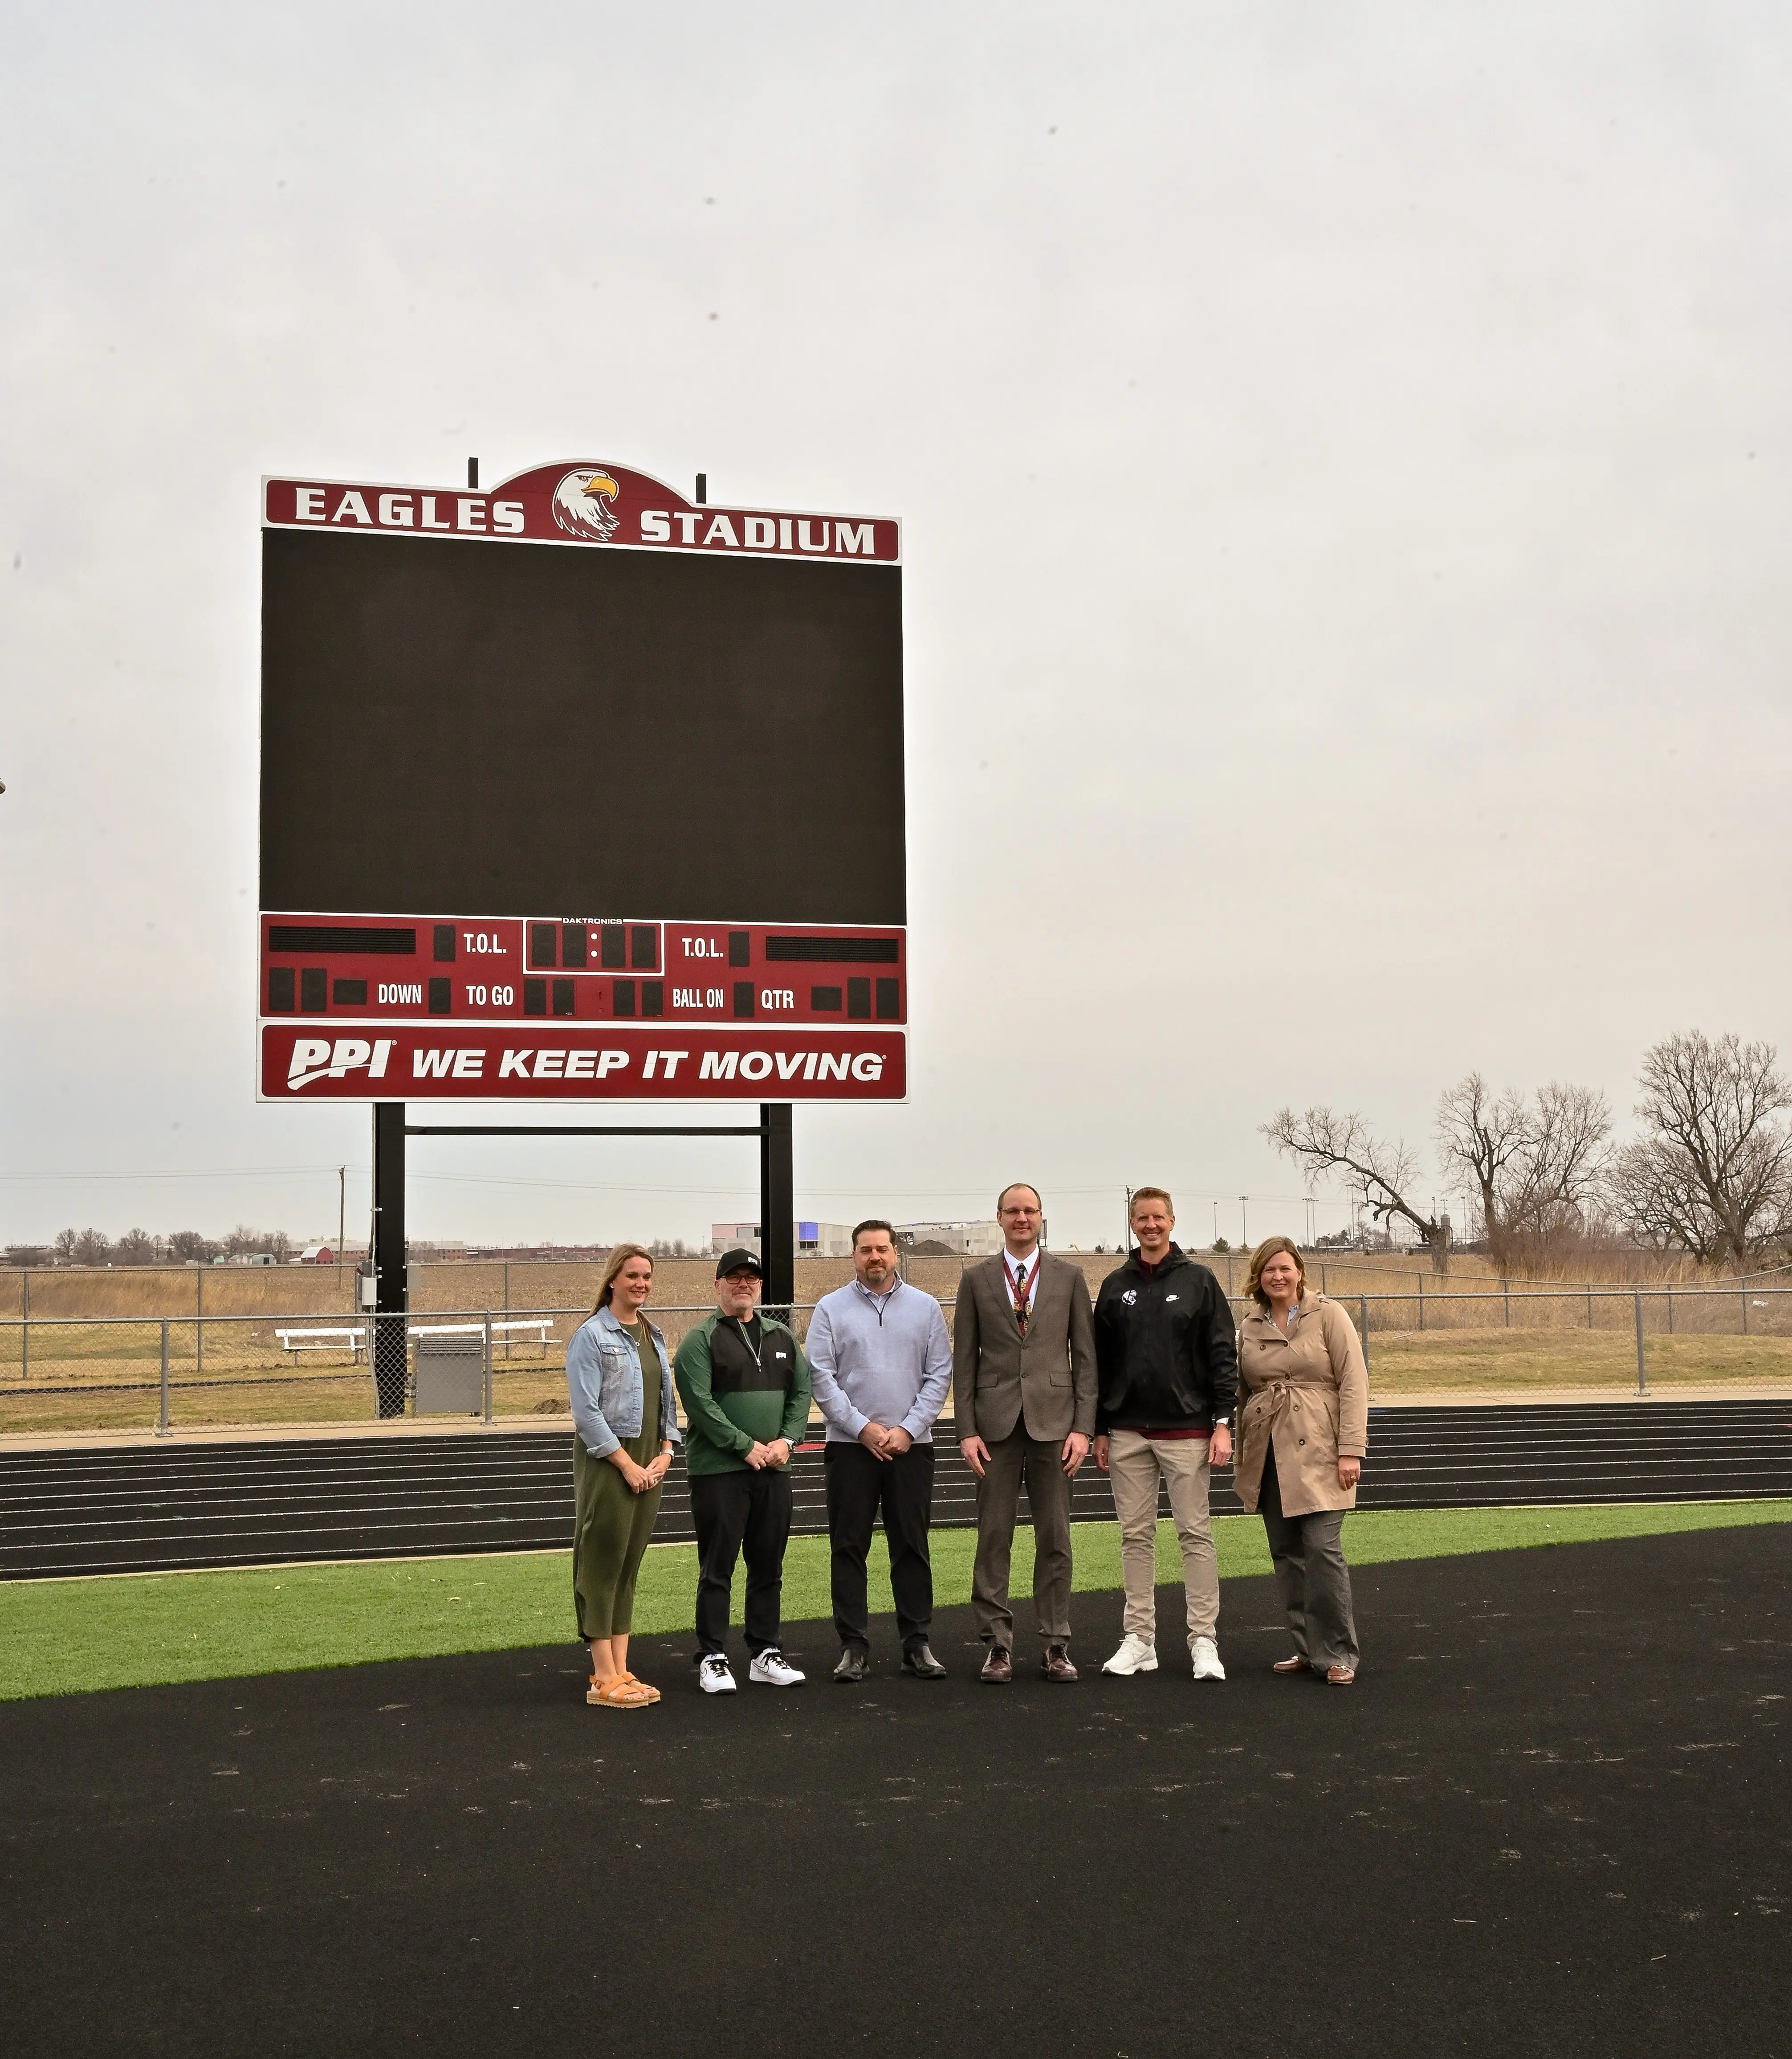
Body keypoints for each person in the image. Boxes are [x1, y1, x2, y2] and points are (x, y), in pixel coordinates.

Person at [953, 1182, 1097, 1683]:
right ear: (998, 1218)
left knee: (1055, 1539)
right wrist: (966, 1429)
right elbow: (964, 1360)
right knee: (993, 1537)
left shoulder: (1069, 1277)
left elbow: (1086, 1358)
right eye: (1012, 1211)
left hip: (1055, 1426)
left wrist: (1083, 1427)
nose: (1021, 1218)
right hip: (993, 1427)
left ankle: (1056, 1643)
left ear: (1041, 1217)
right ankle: (996, 1645)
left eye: (1029, 1210)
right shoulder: (974, 1280)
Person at [1093, 1187, 1237, 1682]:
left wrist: (1222, 1421)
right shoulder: (1114, 1286)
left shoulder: (1199, 1281)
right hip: (1128, 1431)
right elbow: (1100, 1363)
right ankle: (1140, 1640)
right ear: (1133, 1224)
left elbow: (1222, 1353)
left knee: (1194, 1535)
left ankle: (1203, 1641)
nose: (1150, 1225)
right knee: (1136, 1536)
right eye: (1142, 1218)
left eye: (1159, 1217)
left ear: (1172, 1221)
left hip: (1188, 1431)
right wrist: (1099, 1429)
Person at [806, 1219, 953, 1682]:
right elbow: (820, 1377)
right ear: (854, 1255)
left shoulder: (926, 1308)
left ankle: (916, 1644)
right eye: (866, 1249)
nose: (875, 1257)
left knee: (911, 1545)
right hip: (851, 1449)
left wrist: (908, 1429)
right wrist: (861, 1427)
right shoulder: (830, 1309)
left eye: (882, 1249)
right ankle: (853, 1647)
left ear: (895, 1254)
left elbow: (939, 1376)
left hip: (912, 1447)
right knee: (849, 1547)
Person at [672, 1247, 813, 1693]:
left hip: (773, 1472)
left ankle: (765, 1652)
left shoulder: (781, 1337)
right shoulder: (700, 1340)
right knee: (718, 1567)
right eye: (733, 1278)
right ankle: (712, 1656)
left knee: (768, 1565)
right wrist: (744, 1446)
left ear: (759, 1286)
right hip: (719, 1473)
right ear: (717, 1285)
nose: (743, 1285)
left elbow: (801, 1392)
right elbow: (699, 1403)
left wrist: (786, 1441)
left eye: (750, 1278)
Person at [1234, 1235, 1368, 1685]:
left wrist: (1350, 1449)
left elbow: (1353, 1381)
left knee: (1322, 1550)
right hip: (1270, 1453)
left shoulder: (1328, 1314)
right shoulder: (1249, 1325)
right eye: (1269, 1269)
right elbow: (1242, 1392)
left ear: (1299, 1272)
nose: (1278, 1276)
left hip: (1322, 1452)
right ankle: (1307, 1650)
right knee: (1287, 1554)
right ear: (1259, 1276)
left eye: (1285, 1268)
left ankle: (1339, 1653)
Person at [565, 1243, 680, 1710]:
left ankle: (620, 1668)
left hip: (649, 1459)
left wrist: (668, 1450)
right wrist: (627, 1464)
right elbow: (586, 1413)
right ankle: (602, 1677)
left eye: (647, 1276)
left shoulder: (652, 1335)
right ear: (614, 1279)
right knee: (601, 1563)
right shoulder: (591, 1337)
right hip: (610, 1460)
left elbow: (665, 1402)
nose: (641, 1284)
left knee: (628, 1564)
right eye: (632, 1275)